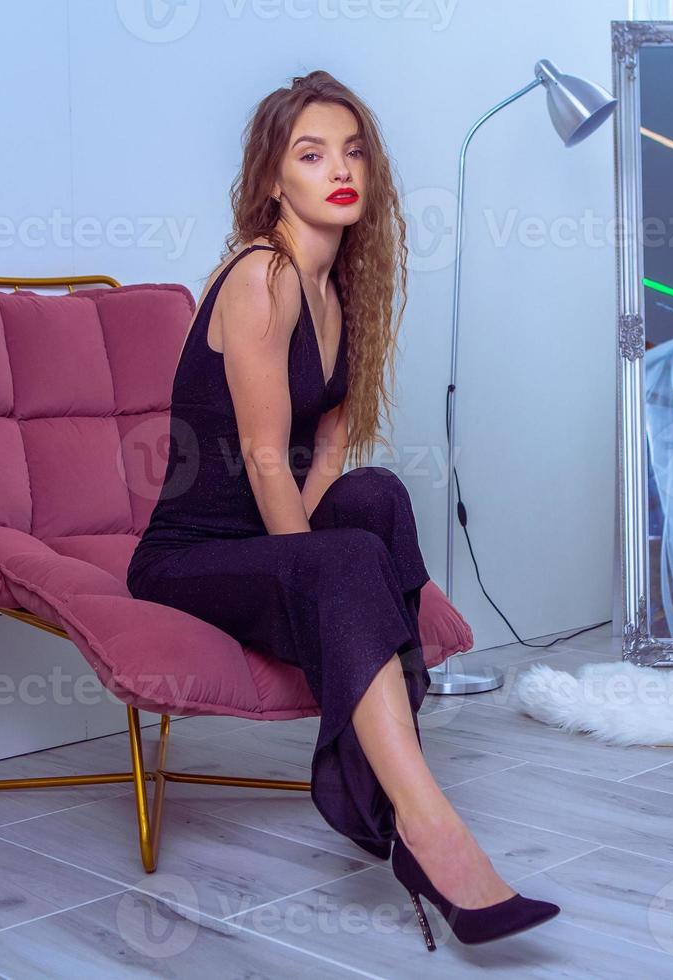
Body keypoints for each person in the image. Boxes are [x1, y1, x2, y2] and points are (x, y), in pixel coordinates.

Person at [126, 69, 559, 950]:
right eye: (312, 153)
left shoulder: (339, 291)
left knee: (377, 494)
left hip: (264, 539)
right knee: (343, 558)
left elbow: (324, 460)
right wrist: (311, 575)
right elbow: (260, 458)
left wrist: (322, 564)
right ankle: (428, 826)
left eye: (353, 150)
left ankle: (376, 791)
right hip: (188, 555)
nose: (339, 168)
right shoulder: (264, 276)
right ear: (271, 180)